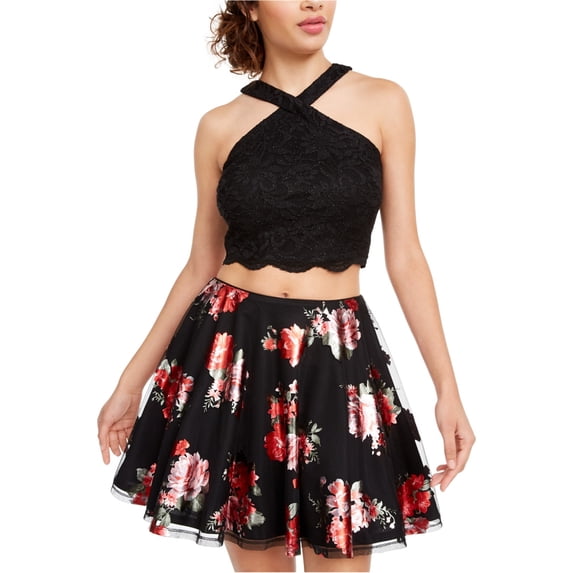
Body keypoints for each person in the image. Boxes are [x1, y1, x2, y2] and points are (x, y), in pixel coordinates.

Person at [97, 1, 475, 571]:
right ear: (250, 8)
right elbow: (201, 264)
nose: (313, 2)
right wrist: (131, 383)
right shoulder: (219, 126)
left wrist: (447, 388)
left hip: (336, 356)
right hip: (235, 357)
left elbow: (405, 256)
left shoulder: (384, 102)